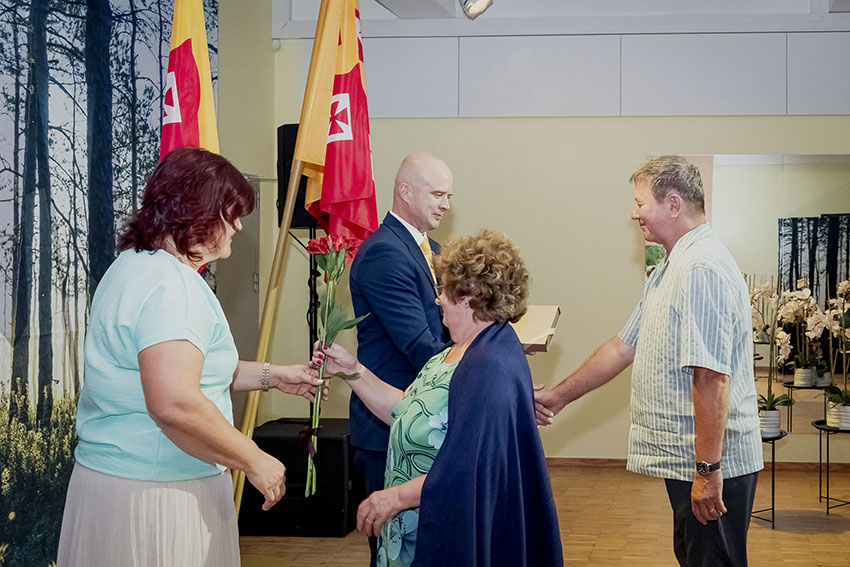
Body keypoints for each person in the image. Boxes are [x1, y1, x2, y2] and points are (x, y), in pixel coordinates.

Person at [57, 147, 324, 566]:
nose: (238, 226)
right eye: (230, 214)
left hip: (115, 486)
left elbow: (188, 372)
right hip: (160, 497)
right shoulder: (173, 287)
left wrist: (274, 376)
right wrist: (253, 458)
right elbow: (175, 402)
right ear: (196, 212)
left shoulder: (133, 266)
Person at [535, 155, 763, 567]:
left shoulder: (700, 268)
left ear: (673, 204)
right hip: (692, 461)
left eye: (640, 203)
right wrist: (557, 397)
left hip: (712, 464)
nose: (634, 213)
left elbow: (711, 377)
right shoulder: (671, 268)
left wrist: (708, 470)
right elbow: (622, 347)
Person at [319, 230, 563, 567]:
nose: (438, 301)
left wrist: (394, 498)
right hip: (412, 521)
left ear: (468, 297)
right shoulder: (458, 350)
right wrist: (353, 370)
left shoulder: (489, 365)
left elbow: (467, 469)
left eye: (444, 290)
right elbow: (408, 410)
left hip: (439, 525)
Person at [348, 152, 453, 564]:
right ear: (406, 192)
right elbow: (419, 344)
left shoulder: (432, 250)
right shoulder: (383, 252)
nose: (446, 204)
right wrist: (479, 369)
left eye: (449, 196)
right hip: (389, 426)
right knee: (394, 549)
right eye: (438, 194)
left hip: (425, 418)